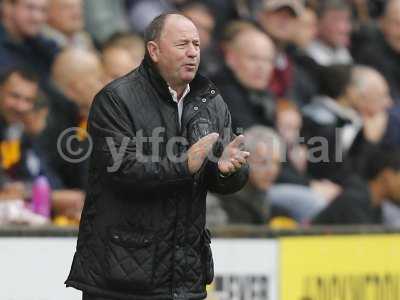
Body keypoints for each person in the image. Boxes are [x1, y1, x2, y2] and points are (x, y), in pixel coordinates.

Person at [65, 13, 249, 300]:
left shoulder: (210, 100)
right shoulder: (116, 99)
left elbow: (222, 175)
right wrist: (185, 164)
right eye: (182, 45)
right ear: (154, 50)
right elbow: (122, 170)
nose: (192, 52)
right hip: (121, 278)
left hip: (184, 276)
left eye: (197, 45)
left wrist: (226, 171)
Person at [213, 22, 276, 132]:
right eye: (253, 58)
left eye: (267, 60)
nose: (261, 67)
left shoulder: (265, 97)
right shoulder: (217, 93)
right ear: (231, 59)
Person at [0, 0, 59, 78]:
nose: (37, 17)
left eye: (43, 10)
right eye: (29, 8)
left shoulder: (42, 46)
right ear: (7, 7)